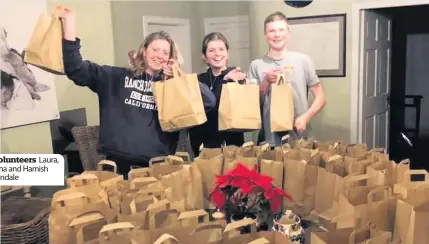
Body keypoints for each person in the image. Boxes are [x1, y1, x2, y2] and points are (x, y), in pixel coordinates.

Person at [59, 6, 216, 177]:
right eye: (155, 49)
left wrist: (181, 77)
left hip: (157, 166)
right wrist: (69, 26)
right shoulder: (115, 77)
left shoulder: (173, 88)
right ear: (144, 51)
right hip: (117, 166)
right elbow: (75, 69)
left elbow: (209, 101)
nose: (159, 55)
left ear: (171, 57)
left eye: (165, 52)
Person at [247, 11, 326, 147]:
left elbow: (321, 97)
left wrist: (306, 117)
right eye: (271, 31)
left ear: (288, 32)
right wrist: (265, 82)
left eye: (281, 30)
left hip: (300, 137)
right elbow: (253, 104)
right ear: (265, 35)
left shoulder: (303, 60)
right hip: (268, 140)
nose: (277, 35)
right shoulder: (256, 65)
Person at [189, 32, 246, 157]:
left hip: (231, 145)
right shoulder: (199, 80)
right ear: (204, 56)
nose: (217, 54)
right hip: (202, 146)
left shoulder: (238, 76)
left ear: (228, 53)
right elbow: (205, 107)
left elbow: (221, 106)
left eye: (221, 49)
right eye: (211, 50)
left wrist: (227, 80)